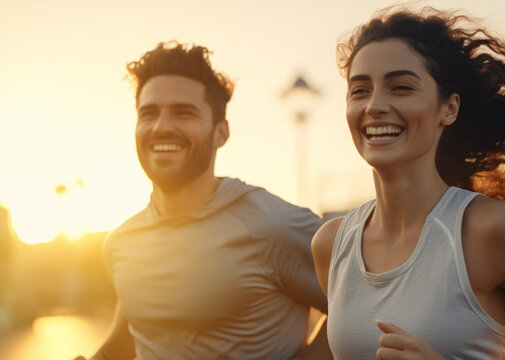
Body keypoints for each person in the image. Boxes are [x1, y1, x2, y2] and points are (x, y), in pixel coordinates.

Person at [312, 6, 505, 360]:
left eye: (400, 87)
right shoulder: (331, 244)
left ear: (448, 109)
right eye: (359, 91)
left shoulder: (494, 230)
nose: (374, 105)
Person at [77, 42, 330, 360]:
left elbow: (366, 306)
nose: (161, 126)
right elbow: (129, 338)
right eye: (149, 113)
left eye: (184, 112)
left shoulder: (275, 224)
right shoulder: (120, 242)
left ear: (221, 133)